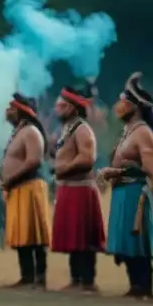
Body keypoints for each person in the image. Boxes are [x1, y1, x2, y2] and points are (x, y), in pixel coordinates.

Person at [99, 72, 153, 299]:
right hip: (122, 191)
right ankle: (135, 284)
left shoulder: (143, 133)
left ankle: (143, 285)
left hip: (135, 193)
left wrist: (119, 171)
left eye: (123, 101)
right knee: (126, 241)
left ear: (136, 106)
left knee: (136, 240)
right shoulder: (127, 132)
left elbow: (150, 168)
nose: (118, 106)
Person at [50, 84, 105, 292]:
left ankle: (88, 281)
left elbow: (87, 158)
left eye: (62, 105)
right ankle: (76, 278)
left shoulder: (83, 129)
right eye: (57, 104)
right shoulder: (66, 129)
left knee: (83, 237)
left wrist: (64, 168)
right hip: (68, 187)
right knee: (73, 237)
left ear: (73, 108)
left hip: (80, 189)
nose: (58, 108)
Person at [0, 94, 51, 288]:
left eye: (11, 108)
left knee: (34, 234)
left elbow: (34, 161)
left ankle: (40, 277)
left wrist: (10, 179)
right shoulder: (18, 132)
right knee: (22, 233)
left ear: (21, 111)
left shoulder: (31, 132)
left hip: (30, 187)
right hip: (18, 188)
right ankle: (27, 276)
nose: (7, 111)